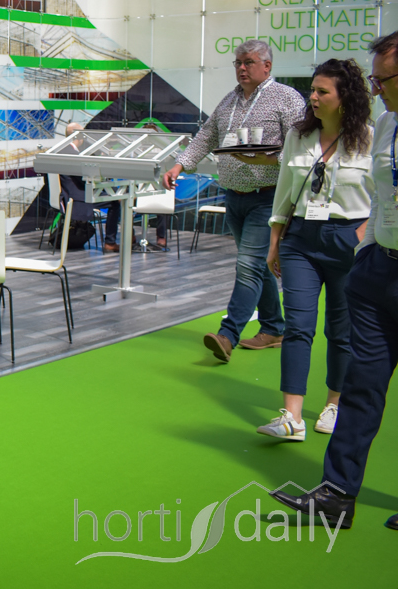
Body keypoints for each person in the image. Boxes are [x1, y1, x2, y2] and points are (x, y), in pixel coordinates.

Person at [271, 32, 398, 530]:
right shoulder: (385, 125)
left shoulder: (367, 128)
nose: (378, 88)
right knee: (363, 384)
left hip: (358, 249)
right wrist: (368, 249)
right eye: (375, 80)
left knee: (346, 348)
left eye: (384, 79)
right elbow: (381, 194)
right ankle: (337, 494)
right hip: (375, 267)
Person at [163, 39, 304, 361]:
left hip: (268, 198)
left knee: (248, 265)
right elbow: (206, 136)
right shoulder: (229, 100)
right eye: (238, 62)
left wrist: (272, 159)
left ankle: (228, 334)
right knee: (257, 265)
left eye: (248, 62)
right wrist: (179, 165)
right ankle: (274, 327)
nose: (242, 68)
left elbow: (301, 147)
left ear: (267, 66)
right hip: (234, 196)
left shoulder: (286, 98)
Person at [256, 59, 372, 441]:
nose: (314, 98)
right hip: (300, 239)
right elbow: (285, 190)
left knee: (341, 330)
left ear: (345, 97)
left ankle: (334, 403)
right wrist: (275, 241)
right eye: (313, 90)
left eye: (323, 91)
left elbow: (385, 196)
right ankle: (292, 417)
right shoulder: (299, 135)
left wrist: (360, 236)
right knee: (298, 327)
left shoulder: (370, 139)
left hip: (349, 240)